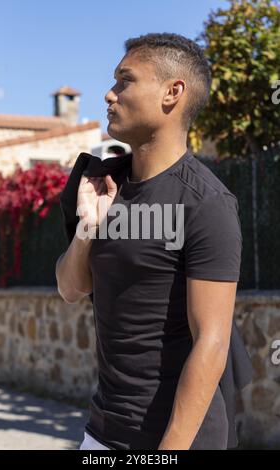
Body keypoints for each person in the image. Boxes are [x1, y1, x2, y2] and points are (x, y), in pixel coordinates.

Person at [56, 32, 253, 450]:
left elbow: (212, 341)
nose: (109, 94)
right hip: (103, 430)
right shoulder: (101, 184)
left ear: (172, 93)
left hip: (178, 439)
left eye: (125, 80)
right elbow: (71, 288)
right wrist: (87, 230)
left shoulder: (207, 203)